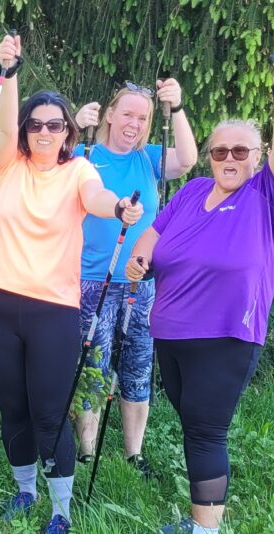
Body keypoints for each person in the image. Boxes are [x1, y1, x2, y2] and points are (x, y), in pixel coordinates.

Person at [126, 59, 274, 534]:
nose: (228, 157)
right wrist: (139, 261)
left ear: (256, 157)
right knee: (191, 422)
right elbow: (151, 238)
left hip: (227, 334)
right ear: (209, 155)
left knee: (206, 429)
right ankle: (203, 512)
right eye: (219, 150)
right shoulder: (193, 191)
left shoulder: (264, 194)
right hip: (173, 333)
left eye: (239, 151)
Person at [0, 35, 142, 534]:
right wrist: (9, 70)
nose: (45, 131)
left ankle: (61, 512)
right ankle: (25, 491)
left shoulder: (78, 171)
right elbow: (3, 125)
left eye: (56, 124)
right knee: (12, 407)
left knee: (49, 412)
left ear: (69, 131)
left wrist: (118, 208)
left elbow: (96, 198)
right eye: (36, 123)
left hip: (52, 311)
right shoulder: (3, 167)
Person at [71, 80, 199, 475]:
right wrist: (74, 127)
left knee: (138, 366)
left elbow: (189, 160)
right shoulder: (85, 152)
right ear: (109, 114)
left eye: (142, 118)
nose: (135, 123)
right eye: (127, 113)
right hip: (92, 280)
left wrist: (175, 109)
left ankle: (133, 453)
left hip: (141, 283)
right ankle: (86, 450)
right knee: (94, 366)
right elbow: (47, 163)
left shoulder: (150, 158)